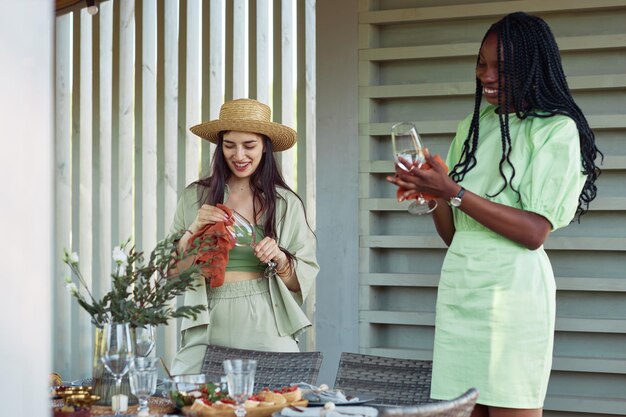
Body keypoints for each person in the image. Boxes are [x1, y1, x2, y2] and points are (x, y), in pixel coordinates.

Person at [387, 12, 601, 417]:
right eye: (481, 63)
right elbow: (456, 235)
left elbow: (535, 231)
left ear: (532, 67)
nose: (486, 75)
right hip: (462, 287)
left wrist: (455, 191)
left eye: (501, 68)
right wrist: (433, 194)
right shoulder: (471, 126)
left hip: (514, 297)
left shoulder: (555, 130)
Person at [169, 98, 318, 375]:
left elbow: (299, 283)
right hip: (209, 314)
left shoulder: (285, 203)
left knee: (282, 395)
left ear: (265, 147)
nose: (239, 155)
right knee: (189, 397)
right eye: (229, 145)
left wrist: (281, 258)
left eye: (249, 146)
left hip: (267, 314)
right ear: (220, 146)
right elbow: (172, 273)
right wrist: (193, 230)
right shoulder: (194, 197)